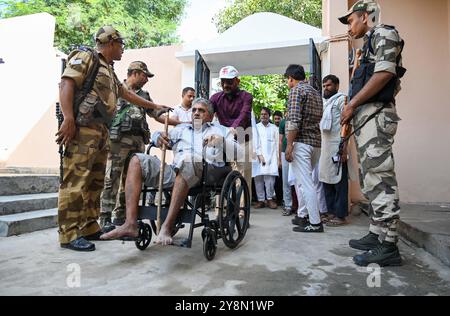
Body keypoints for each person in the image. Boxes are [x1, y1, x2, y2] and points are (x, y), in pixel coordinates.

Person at [56, 26, 170, 252]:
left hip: (101, 132)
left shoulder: (108, 68)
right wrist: (68, 117)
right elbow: (67, 83)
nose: (122, 49)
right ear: (110, 43)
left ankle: (89, 227)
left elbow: (125, 93)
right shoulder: (86, 57)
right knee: (76, 181)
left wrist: (154, 106)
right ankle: (68, 234)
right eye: (121, 45)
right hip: (82, 130)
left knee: (94, 183)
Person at [100, 98, 242, 245]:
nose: (196, 113)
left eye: (201, 110)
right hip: (175, 172)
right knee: (137, 160)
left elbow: (239, 153)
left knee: (188, 159)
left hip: (204, 174)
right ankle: (130, 224)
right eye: (194, 110)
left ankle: (167, 226)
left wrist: (222, 141)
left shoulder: (220, 130)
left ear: (211, 116)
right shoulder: (181, 130)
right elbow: (155, 137)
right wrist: (158, 137)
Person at [339, 0, 405, 266]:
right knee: (370, 178)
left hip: (376, 116)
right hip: (367, 118)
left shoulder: (385, 33)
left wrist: (353, 104)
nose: (349, 27)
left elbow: (385, 74)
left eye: (351, 21)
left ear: (365, 17)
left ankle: (389, 245)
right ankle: (377, 234)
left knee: (380, 177)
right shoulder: (368, 44)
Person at [100, 61, 180, 230]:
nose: (147, 79)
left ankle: (121, 216)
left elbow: (157, 115)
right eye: (145, 75)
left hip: (137, 143)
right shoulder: (117, 88)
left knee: (130, 180)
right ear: (135, 73)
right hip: (118, 142)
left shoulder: (144, 95)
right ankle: (105, 217)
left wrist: (181, 123)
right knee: (112, 178)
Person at [284, 64, 324, 233]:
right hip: (316, 143)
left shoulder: (296, 91)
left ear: (291, 78)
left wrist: (289, 145)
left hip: (301, 143)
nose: (288, 83)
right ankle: (303, 216)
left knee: (306, 184)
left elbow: (293, 121)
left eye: (287, 80)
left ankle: (315, 223)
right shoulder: (315, 92)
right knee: (304, 183)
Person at [209, 66, 253, 200]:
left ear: (237, 81)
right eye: (223, 81)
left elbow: (244, 115)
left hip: (243, 139)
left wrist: (234, 128)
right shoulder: (215, 98)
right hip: (223, 142)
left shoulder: (247, 96)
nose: (225, 85)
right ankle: (220, 210)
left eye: (229, 81)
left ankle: (241, 212)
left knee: (242, 176)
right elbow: (207, 113)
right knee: (220, 175)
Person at [318, 75, 349, 226]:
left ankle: (340, 215)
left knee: (339, 182)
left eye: (329, 85)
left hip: (338, 145)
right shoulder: (325, 103)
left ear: (337, 86)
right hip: (325, 147)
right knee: (326, 180)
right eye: (324, 86)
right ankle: (331, 212)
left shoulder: (342, 100)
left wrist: (344, 148)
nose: (326, 88)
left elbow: (347, 125)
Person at [252, 107, 279, 209]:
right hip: (258, 157)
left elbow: (277, 144)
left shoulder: (274, 128)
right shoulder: (256, 127)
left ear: (269, 116)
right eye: (262, 114)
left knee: (270, 181)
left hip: (271, 158)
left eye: (265, 114)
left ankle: (270, 199)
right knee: (258, 179)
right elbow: (254, 143)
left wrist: (277, 158)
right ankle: (260, 200)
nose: (263, 116)